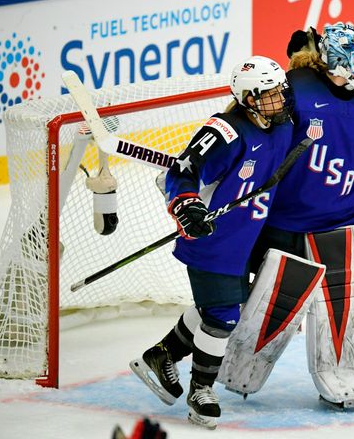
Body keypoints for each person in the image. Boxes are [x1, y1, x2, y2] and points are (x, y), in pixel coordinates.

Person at [222, 22, 354, 409]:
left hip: (342, 217)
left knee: (346, 301)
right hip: (285, 218)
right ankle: (240, 368)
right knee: (275, 301)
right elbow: (253, 128)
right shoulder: (296, 90)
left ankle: (346, 374)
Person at [129, 55, 295, 429]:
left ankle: (162, 354)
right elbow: (182, 170)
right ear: (248, 98)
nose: (279, 99)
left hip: (247, 237)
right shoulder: (224, 131)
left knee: (220, 306)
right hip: (211, 238)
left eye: (279, 91)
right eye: (268, 94)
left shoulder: (281, 124)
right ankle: (201, 390)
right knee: (224, 316)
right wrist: (186, 204)